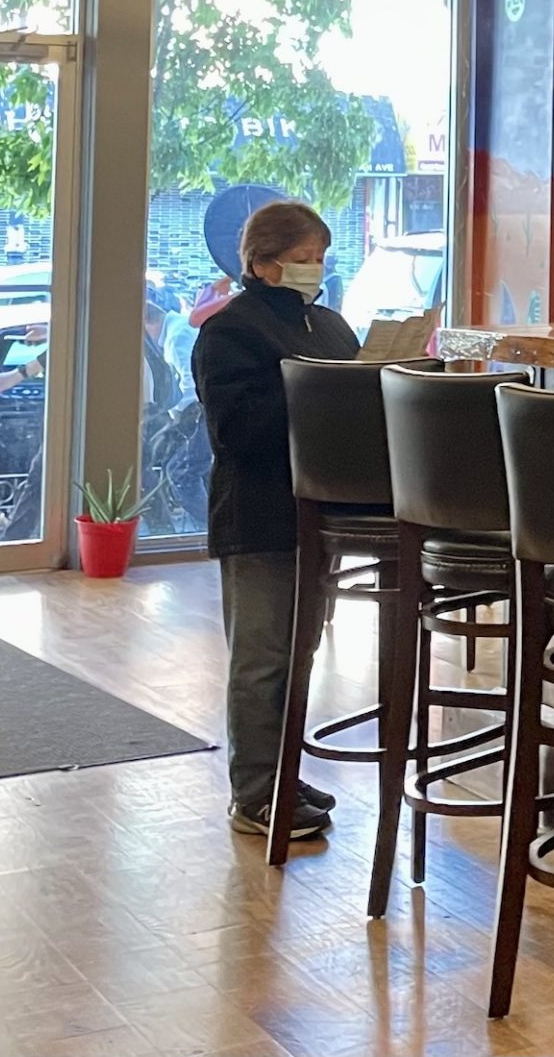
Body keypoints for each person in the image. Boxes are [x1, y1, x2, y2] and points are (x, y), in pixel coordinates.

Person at [191, 200, 358, 841]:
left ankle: (284, 772)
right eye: (299, 259)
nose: (313, 269)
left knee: (301, 650)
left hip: (320, 511)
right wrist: (315, 399)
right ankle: (255, 792)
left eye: (320, 258)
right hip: (259, 512)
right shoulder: (231, 331)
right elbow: (235, 431)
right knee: (263, 658)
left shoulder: (331, 326)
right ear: (261, 263)